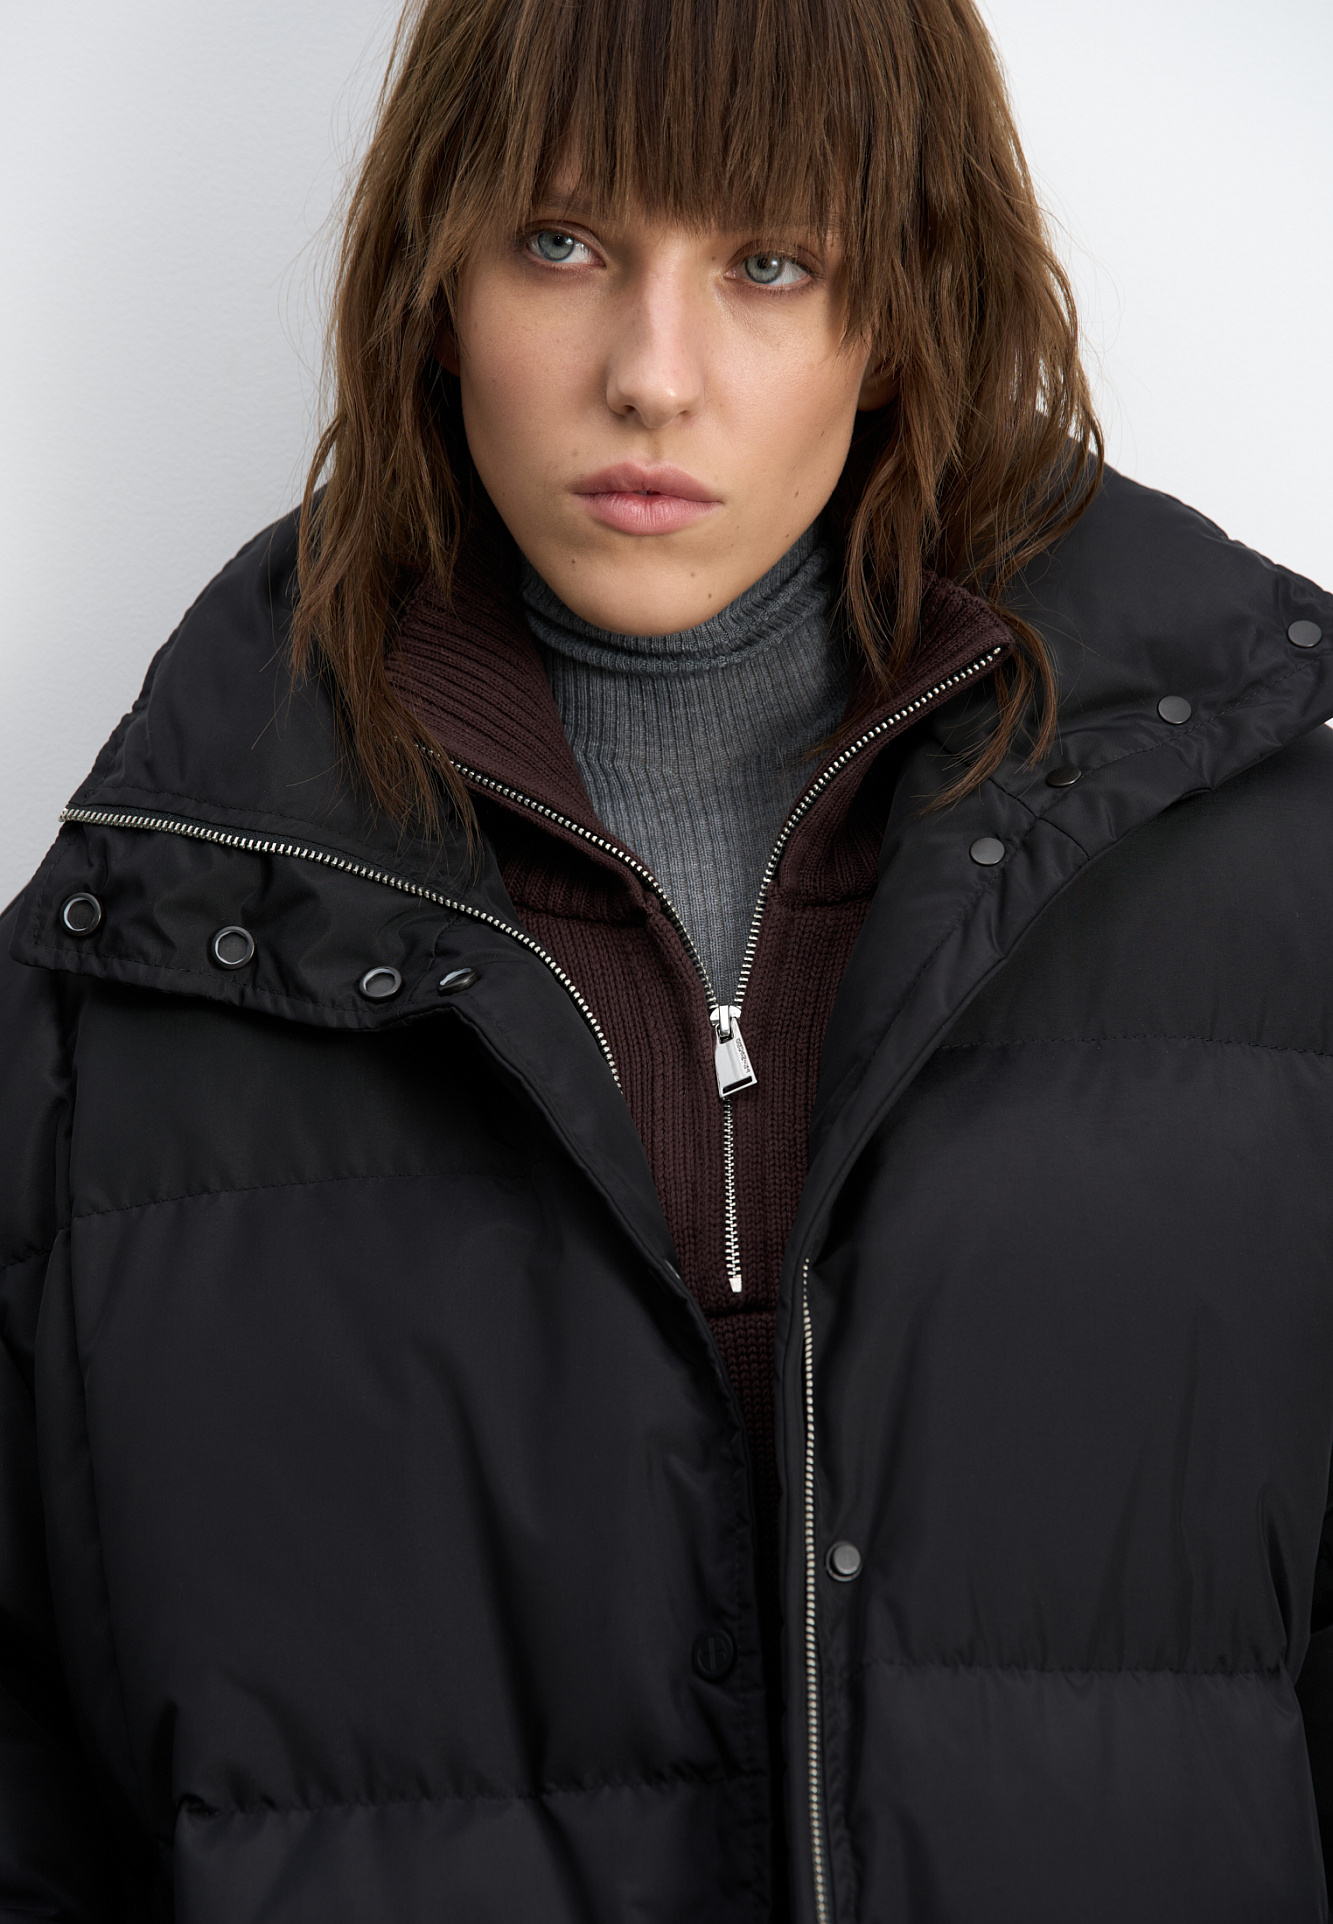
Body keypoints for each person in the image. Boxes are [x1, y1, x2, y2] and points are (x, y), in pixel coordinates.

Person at [3, 0, 1333, 1917]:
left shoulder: (1276, 903)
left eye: (770, 263)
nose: (651, 375)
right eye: (560, 244)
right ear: (432, 282)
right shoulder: (129, 972)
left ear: (902, 312)